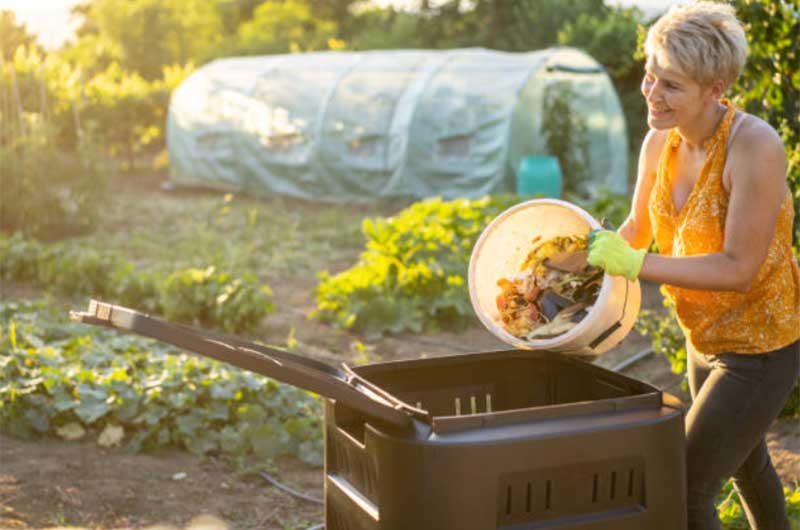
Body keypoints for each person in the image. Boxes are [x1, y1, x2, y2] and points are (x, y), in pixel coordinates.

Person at [585, 2, 800, 530]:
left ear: (715, 86)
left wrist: (638, 264)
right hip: (701, 333)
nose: (652, 96)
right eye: (650, 76)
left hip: (759, 346)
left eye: (671, 86)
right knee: (747, 465)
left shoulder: (755, 146)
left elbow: (738, 268)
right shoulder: (662, 138)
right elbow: (637, 230)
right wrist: (574, 258)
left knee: (682, 486)